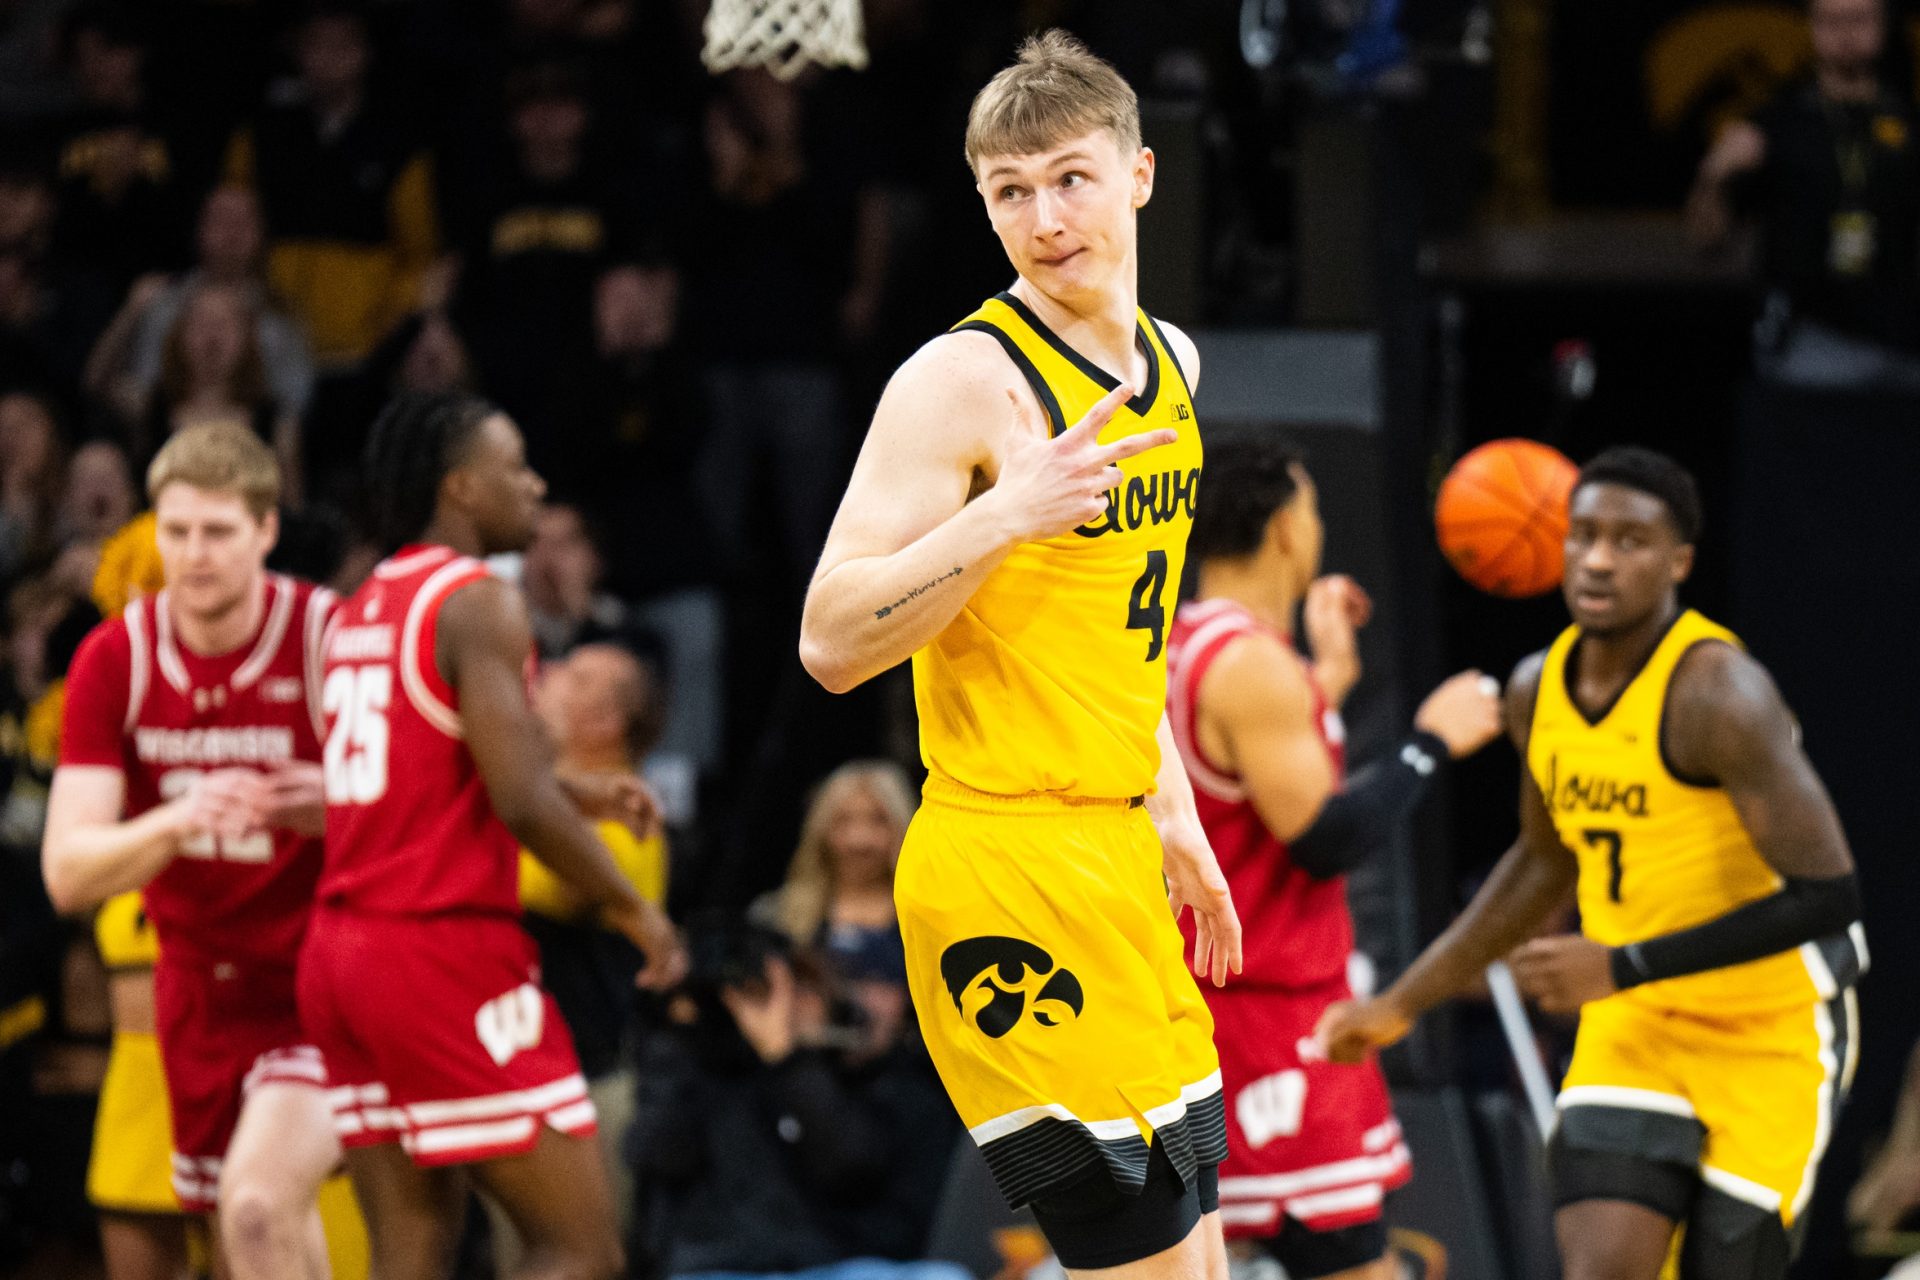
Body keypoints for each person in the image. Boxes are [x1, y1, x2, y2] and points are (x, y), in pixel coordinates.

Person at [799, 30, 1240, 1278]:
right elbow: (829, 639)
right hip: (1002, 861)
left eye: (1069, 178)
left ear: (1139, 174)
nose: (1044, 217)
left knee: (1200, 1265)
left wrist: (1177, 813)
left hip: (1115, 853)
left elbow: (1118, 635)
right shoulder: (960, 381)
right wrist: (1004, 512)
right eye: (1010, 192)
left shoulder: (1175, 364)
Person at [1318, 447, 1867, 1280]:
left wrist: (1623, 962)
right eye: (1583, 536)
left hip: (1769, 1029)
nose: (1599, 558)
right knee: (1601, 1268)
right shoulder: (1537, 689)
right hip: (1634, 1027)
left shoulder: (1722, 696)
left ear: (1679, 562)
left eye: (1631, 540)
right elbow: (1541, 863)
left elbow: (1830, 898)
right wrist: (1402, 1002)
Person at [298, 389, 684, 1280]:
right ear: (463, 488)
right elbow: (517, 802)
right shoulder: (476, 603)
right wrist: (638, 912)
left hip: (341, 955)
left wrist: (578, 794)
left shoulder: (362, 605)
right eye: (516, 468)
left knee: (412, 1247)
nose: (536, 485)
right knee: (580, 1247)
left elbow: (421, 776)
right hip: (437, 949)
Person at [1166, 438, 1503, 1280]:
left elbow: (1250, 786)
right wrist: (1432, 741)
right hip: (1269, 1012)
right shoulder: (1251, 667)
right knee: (1347, 1261)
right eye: (1310, 510)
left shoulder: (1193, 646)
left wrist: (1333, 676)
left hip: (1214, 998)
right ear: (1285, 528)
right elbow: (1322, 838)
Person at [40, 422, 343, 1280]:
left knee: (256, 1206)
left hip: (324, 982)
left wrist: (325, 805)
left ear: (267, 531)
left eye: (218, 532)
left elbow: (415, 810)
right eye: (176, 531)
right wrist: (177, 821)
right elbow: (68, 872)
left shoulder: (325, 637)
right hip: (200, 993)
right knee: (247, 1235)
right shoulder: (118, 660)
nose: (194, 554)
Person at [1686, 0, 1920, 388]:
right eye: (1831, 20)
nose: (1845, 33)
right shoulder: (1776, 124)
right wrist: (1713, 177)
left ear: (1883, 24)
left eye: (1859, 19)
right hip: (1808, 339)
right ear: (1812, 25)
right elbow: (1705, 241)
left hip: (1902, 341)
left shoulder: (1908, 126)